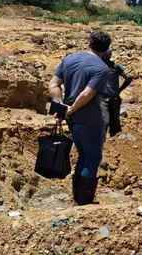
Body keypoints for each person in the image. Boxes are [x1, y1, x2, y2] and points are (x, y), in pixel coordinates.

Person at [48, 30, 111, 205]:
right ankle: (83, 202)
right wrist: (71, 109)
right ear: (106, 49)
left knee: (83, 154)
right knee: (91, 157)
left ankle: (77, 197)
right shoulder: (101, 68)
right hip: (89, 118)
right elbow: (86, 94)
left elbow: (53, 84)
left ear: (89, 42)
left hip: (72, 120)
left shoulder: (69, 59)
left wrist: (60, 107)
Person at [100, 49, 135, 138]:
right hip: (102, 99)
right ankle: (100, 143)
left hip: (115, 99)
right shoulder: (98, 65)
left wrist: (120, 90)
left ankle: (114, 143)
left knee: (115, 123)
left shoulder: (116, 66)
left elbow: (129, 78)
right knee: (105, 121)